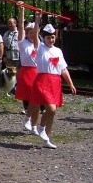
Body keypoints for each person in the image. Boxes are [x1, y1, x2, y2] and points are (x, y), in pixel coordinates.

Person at [28, 14, 76, 149]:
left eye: (53, 37)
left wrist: (71, 84)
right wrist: (37, 20)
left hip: (55, 81)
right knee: (50, 107)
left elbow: (63, 69)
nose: (51, 39)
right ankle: (41, 127)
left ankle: (46, 138)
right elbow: (36, 33)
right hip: (43, 79)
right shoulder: (40, 48)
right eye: (48, 37)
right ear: (44, 38)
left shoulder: (58, 51)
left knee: (53, 112)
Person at [15, 6, 40, 131]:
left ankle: (34, 125)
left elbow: (37, 33)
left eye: (33, 32)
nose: (32, 34)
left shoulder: (37, 43)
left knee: (37, 101)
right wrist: (22, 10)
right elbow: (20, 27)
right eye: (29, 32)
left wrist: (37, 18)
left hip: (37, 72)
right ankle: (28, 117)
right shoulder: (22, 42)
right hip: (26, 72)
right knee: (33, 99)